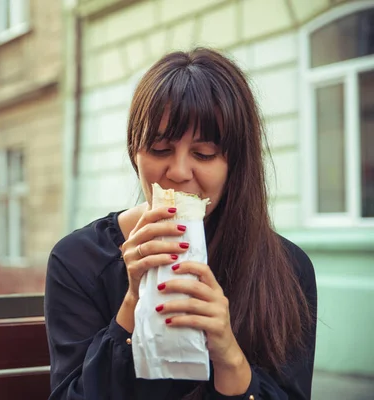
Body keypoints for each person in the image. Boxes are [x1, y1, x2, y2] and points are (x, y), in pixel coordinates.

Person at [44, 47, 317, 400]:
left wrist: (229, 357)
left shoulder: (287, 270)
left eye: (203, 154)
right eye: (159, 149)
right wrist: (133, 305)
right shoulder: (79, 260)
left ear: (236, 163)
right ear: (135, 152)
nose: (178, 172)